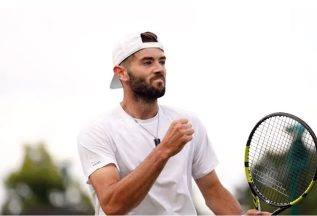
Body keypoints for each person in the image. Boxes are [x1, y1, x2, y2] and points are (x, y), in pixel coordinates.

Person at [78, 31, 268, 215]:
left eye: (162, 61)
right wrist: (164, 150)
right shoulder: (97, 131)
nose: (159, 68)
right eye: (147, 62)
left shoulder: (188, 123)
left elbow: (213, 191)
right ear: (122, 73)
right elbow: (112, 205)